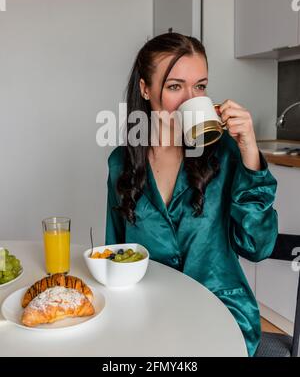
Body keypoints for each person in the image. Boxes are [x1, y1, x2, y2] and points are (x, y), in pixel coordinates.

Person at [104, 32, 278, 357]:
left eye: (199, 86)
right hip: (150, 317)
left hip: (222, 313)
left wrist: (250, 153)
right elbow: (117, 256)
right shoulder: (121, 163)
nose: (190, 98)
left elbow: (258, 247)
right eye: (174, 86)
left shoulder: (224, 153)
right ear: (145, 89)